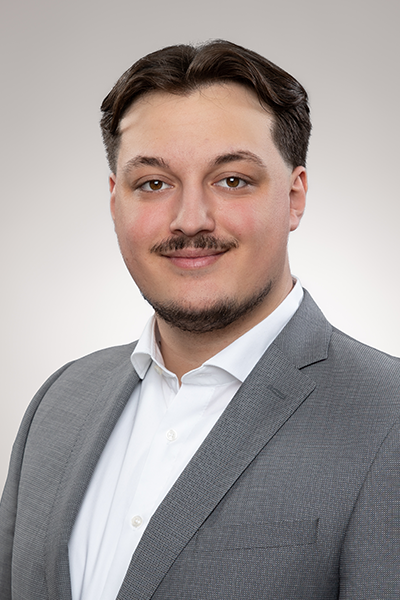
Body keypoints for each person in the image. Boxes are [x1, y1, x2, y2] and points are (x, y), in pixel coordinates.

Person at [1, 40, 399, 600]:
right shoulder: (59, 401)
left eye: (232, 180)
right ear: (115, 202)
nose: (190, 220)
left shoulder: (387, 417)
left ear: (295, 197)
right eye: (153, 183)